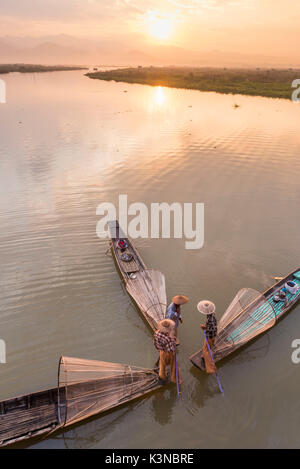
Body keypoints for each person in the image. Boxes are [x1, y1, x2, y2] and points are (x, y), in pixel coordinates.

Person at [153, 319, 182, 385]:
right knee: (173, 365)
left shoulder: (156, 333)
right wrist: (173, 342)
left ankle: (162, 376)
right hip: (168, 353)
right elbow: (170, 348)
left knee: (162, 365)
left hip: (161, 351)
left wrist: (159, 350)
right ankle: (174, 378)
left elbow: (155, 343)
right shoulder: (167, 338)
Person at [197, 300, 218, 374]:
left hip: (210, 336)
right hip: (212, 336)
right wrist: (206, 326)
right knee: (209, 348)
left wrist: (204, 328)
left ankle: (211, 369)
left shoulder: (211, 319)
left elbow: (213, 328)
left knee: (205, 351)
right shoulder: (211, 316)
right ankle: (203, 357)